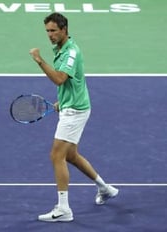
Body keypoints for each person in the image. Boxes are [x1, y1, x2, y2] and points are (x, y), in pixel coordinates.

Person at [29, 12, 119, 222]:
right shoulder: (61, 48)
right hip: (73, 105)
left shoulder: (71, 52)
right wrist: (64, 100)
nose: (49, 35)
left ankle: (63, 209)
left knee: (56, 155)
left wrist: (39, 60)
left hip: (75, 111)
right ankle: (104, 188)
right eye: (47, 31)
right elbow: (72, 81)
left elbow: (60, 79)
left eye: (53, 31)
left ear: (64, 30)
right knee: (70, 156)